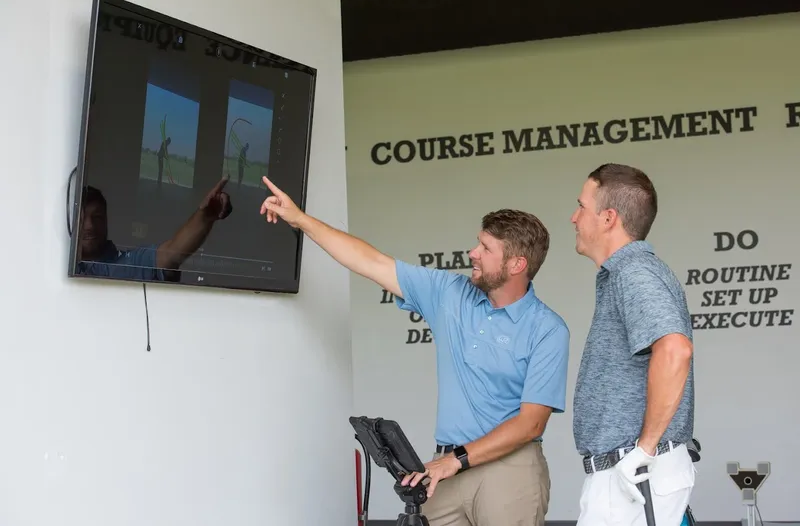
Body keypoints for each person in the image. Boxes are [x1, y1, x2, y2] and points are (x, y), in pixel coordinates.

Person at [259, 176, 570, 526]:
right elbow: (371, 262)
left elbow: (531, 423)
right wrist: (300, 219)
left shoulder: (547, 329)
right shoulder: (450, 293)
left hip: (509, 472)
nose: (473, 253)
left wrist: (459, 460)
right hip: (447, 467)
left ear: (516, 265)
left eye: (486, 248)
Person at [570, 163, 695, 526]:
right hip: (633, 473)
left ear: (608, 218)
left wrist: (644, 449)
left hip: (635, 473)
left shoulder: (634, 271)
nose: (573, 217)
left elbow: (675, 349)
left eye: (581, 206)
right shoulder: (627, 272)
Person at [76, 177, 233, 281]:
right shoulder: (54, 267)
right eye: (82, 219)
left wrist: (204, 216)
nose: (90, 226)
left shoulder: (127, 265)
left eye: (97, 217)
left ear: (106, 221)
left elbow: (171, 254)